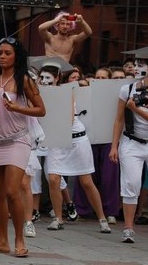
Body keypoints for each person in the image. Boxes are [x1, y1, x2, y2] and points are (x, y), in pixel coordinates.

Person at [0, 37, 45, 258]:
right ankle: (2, 241)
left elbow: (41, 110)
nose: (2, 56)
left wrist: (18, 107)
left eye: (7, 53)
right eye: (0, 53)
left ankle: (19, 239)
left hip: (18, 140)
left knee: (11, 191)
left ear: (17, 55)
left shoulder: (24, 79)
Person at [39, 61, 112, 234]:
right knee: (54, 178)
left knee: (86, 181)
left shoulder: (67, 91)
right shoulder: (38, 92)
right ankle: (58, 218)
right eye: (41, 77)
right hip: (55, 140)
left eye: (48, 77)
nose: (44, 80)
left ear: (57, 78)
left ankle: (102, 218)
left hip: (76, 138)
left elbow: (69, 117)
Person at [109, 47, 148, 244]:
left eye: (141, 64)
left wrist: (135, 108)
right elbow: (118, 120)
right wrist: (114, 146)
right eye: (135, 64)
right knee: (131, 184)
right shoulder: (127, 89)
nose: (136, 68)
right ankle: (128, 227)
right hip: (131, 142)